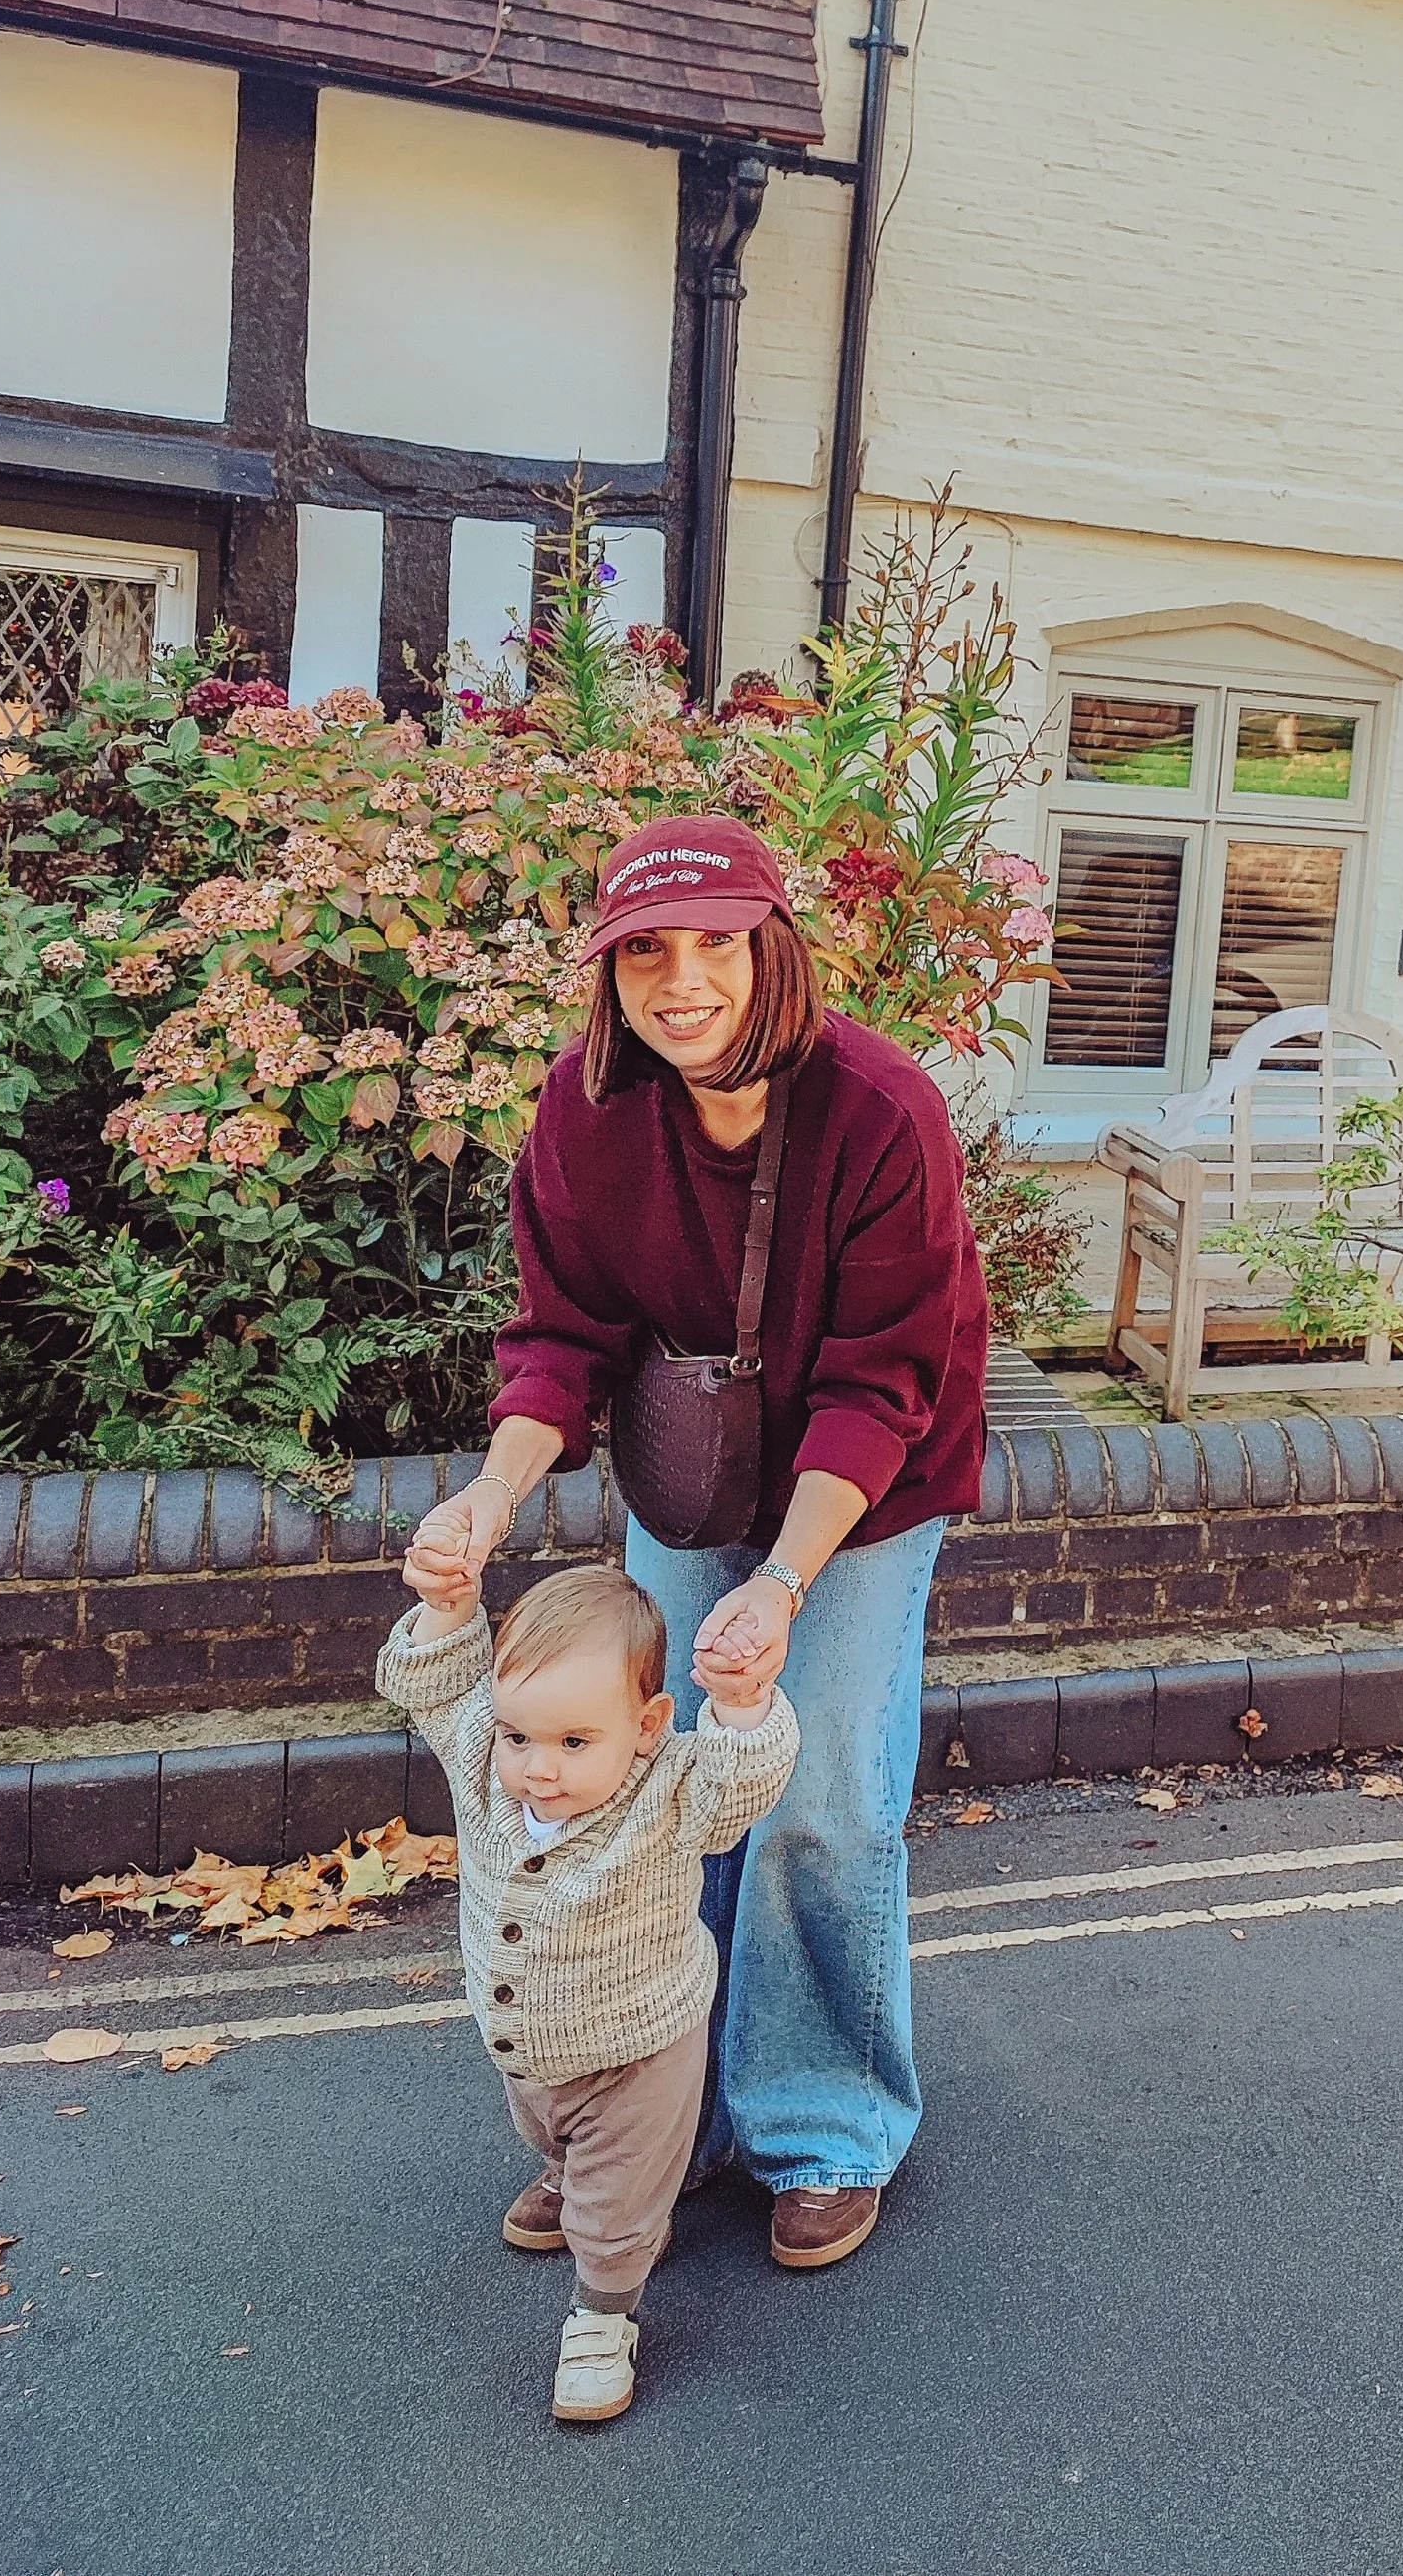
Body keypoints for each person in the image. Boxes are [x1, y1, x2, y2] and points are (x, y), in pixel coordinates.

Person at [401, 815, 988, 2273]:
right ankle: (658, 2127)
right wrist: (491, 1498)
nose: (682, 982)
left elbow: (883, 1384)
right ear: (609, 972)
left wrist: (785, 1584)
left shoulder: (882, 1109)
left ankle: (824, 2124)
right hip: (694, 1476)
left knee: (818, 1796)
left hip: (866, 1483)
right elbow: (561, 1336)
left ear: (773, 948)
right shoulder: (586, 1109)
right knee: (658, 1792)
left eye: (715, 943)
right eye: (645, 951)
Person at [376, 1555, 797, 2423]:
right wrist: (447, 1606)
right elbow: (436, 1687)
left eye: (574, 1742)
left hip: (641, 2050)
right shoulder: (484, 1757)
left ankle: (604, 2315)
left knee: (614, 2211)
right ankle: (579, 2179)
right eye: (520, 1736)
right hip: (531, 2047)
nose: (539, 1767)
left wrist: (741, 1703)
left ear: (647, 1725)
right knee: (551, 2135)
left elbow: (740, 1781)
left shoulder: (671, 1787)